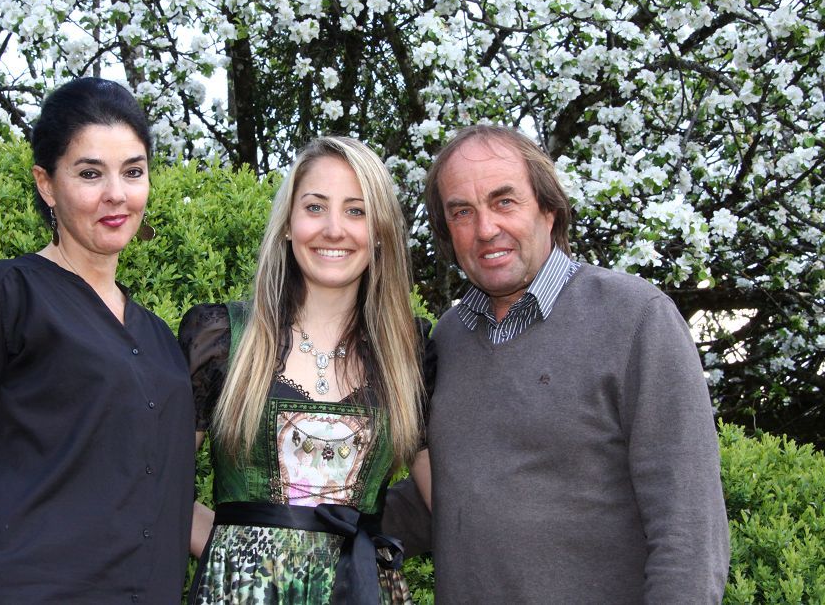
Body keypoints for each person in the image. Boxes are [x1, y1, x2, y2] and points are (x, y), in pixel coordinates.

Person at [386, 124, 730, 602]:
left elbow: (688, 530)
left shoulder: (634, 320)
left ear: (548, 209)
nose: (485, 229)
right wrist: (318, 515)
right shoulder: (448, 340)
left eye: (505, 201)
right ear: (448, 233)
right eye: (462, 212)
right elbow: (451, 501)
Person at [0, 77, 195, 604]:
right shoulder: (2, 294)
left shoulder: (159, 340)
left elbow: (165, 499)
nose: (116, 194)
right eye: (90, 173)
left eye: (133, 171)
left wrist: (291, 537)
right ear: (46, 184)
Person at [179, 136, 431, 605]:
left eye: (356, 211)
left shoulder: (410, 353)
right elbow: (156, 486)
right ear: (288, 225)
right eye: (315, 207)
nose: (334, 229)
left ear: (379, 231)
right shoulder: (222, 338)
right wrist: (235, 550)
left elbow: (452, 505)